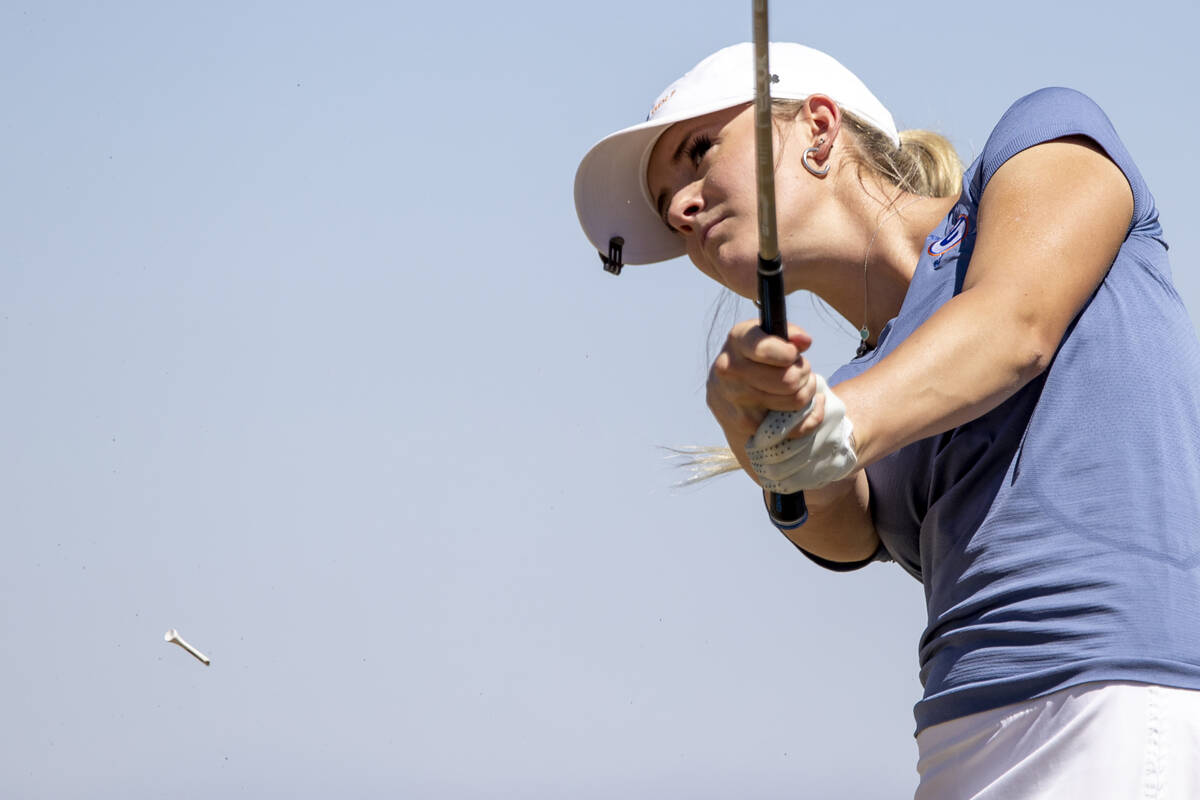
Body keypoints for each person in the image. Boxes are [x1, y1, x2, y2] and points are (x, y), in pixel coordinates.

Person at [573, 42, 1200, 797]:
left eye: (699, 153)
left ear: (819, 128)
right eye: (668, 205)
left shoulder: (1045, 137)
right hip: (956, 741)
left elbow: (1012, 327)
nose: (679, 207)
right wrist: (770, 449)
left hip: (1120, 704)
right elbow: (839, 529)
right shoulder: (853, 383)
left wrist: (828, 425)